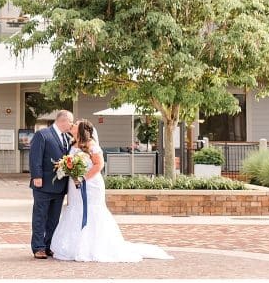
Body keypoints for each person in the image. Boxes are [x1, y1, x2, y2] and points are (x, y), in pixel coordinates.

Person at [49, 119, 172, 262]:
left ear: (81, 129)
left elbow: (99, 164)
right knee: (76, 209)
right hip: (75, 184)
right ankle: (74, 246)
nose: (73, 125)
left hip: (90, 185)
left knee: (92, 211)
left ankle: (93, 247)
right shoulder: (72, 143)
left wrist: (83, 178)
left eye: (76, 124)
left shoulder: (91, 145)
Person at [28, 109, 73, 259]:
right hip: (43, 184)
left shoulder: (67, 138)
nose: (71, 125)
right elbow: (35, 157)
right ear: (63, 120)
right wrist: (37, 176)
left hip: (60, 186)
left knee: (54, 218)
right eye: (70, 121)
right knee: (40, 216)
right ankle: (38, 247)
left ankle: (49, 245)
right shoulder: (43, 134)